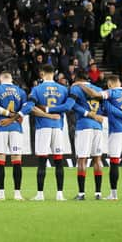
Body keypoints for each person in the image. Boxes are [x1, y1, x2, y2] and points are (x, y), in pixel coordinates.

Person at [76, 75, 122, 201]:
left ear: (110, 84)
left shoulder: (112, 92)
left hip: (117, 131)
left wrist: (80, 85)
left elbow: (95, 94)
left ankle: (113, 194)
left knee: (114, 163)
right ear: (120, 82)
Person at [29, 64, 74, 201]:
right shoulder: (63, 89)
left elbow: (31, 107)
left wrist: (46, 112)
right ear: (54, 73)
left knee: (42, 161)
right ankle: (60, 194)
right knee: (59, 161)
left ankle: (40, 194)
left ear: (42, 74)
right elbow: (68, 107)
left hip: (43, 127)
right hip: (58, 127)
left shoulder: (37, 89)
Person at [0, 71, 35, 201]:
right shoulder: (20, 92)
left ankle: (1, 193)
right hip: (16, 128)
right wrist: (16, 117)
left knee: (0, 161)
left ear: (1, 79)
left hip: (1, 127)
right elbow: (27, 109)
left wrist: (7, 115)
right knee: (16, 161)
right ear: (11, 79)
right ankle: (17, 193)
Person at [69, 70, 106, 200]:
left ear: (76, 78)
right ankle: (98, 193)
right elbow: (104, 107)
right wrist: (97, 115)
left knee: (82, 159)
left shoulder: (75, 88)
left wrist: (87, 114)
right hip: (98, 126)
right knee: (97, 159)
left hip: (84, 125)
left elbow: (72, 105)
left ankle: (81, 193)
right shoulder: (98, 88)